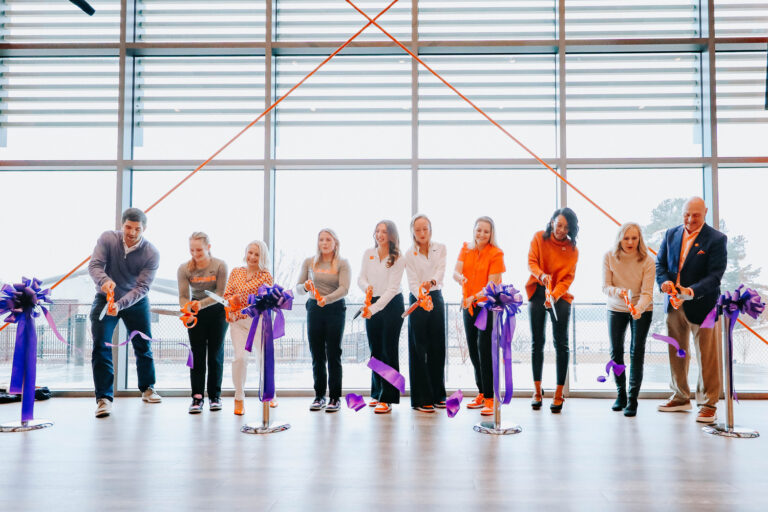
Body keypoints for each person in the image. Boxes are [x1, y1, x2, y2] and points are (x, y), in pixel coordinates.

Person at [655, 196, 727, 423]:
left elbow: (715, 276)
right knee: (677, 351)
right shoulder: (671, 234)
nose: (690, 219)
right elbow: (660, 265)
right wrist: (664, 282)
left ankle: (708, 404)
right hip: (673, 304)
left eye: (695, 214)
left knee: (707, 356)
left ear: (705, 212)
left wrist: (690, 291)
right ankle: (680, 396)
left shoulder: (716, 239)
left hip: (703, 305)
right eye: (686, 214)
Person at [89, 208, 161, 418]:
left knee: (142, 344)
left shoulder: (151, 253)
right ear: (122, 225)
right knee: (100, 345)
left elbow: (143, 288)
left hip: (135, 301)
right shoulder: (107, 238)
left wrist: (120, 304)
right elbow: (95, 265)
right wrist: (105, 281)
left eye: (137, 228)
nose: (132, 232)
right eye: (128, 227)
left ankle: (148, 388)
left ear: (144, 228)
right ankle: (104, 398)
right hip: (105, 297)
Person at [526, 207, 579, 413]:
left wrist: (555, 295)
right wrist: (541, 276)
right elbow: (531, 262)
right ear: (551, 222)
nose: (561, 230)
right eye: (559, 225)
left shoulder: (572, 249)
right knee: (537, 342)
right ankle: (537, 391)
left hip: (559, 296)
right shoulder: (539, 238)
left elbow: (567, 278)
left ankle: (559, 393)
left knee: (561, 343)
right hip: (538, 291)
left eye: (566, 227)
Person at [453, 216, 504, 417]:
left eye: (486, 231)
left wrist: (474, 296)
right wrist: (461, 278)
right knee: (473, 349)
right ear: (473, 230)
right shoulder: (466, 248)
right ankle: (482, 392)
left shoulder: (496, 253)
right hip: (469, 306)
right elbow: (455, 272)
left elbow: (491, 286)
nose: (482, 234)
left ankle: (491, 397)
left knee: (485, 350)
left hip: (487, 307)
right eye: (479, 230)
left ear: (491, 234)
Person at [602, 222, 654, 417]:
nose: (630, 242)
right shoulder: (609, 257)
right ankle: (621, 394)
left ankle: (633, 399)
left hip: (642, 308)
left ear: (639, 239)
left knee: (636, 351)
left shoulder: (647, 260)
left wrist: (638, 309)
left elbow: (647, 292)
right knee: (616, 352)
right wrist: (618, 292)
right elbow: (605, 287)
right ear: (620, 239)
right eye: (626, 238)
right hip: (616, 307)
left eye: (634, 238)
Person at [295, 229, 350, 413]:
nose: (324, 243)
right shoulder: (309, 262)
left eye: (328, 239)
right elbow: (299, 288)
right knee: (317, 354)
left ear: (335, 242)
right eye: (321, 240)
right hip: (314, 308)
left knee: (333, 353)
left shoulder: (342, 263)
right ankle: (319, 396)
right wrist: (306, 286)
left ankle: (335, 397)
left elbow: (344, 288)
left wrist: (328, 299)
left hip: (335, 309)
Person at [358, 220, 406, 414]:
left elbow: (392, 289)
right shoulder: (368, 253)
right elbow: (361, 278)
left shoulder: (398, 257)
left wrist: (374, 308)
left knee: (388, 350)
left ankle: (388, 398)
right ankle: (377, 393)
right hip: (372, 303)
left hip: (392, 304)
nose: (380, 234)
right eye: (377, 230)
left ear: (391, 235)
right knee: (375, 349)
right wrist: (366, 288)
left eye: (384, 231)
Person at [177, 232, 228, 414]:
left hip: (217, 312)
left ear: (208, 247)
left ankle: (215, 396)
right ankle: (197, 397)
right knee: (197, 355)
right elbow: (183, 296)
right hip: (195, 314)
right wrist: (187, 310)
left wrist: (201, 304)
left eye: (199, 249)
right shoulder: (184, 268)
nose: (195, 253)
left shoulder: (220, 265)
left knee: (215, 355)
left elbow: (221, 294)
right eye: (192, 250)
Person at [223, 240, 274, 416]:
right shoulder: (236, 272)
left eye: (256, 254)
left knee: (263, 359)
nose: (252, 257)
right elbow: (227, 294)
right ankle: (239, 396)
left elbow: (265, 301)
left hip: (257, 322)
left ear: (262, 257)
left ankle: (269, 392)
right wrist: (232, 305)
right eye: (250, 252)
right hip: (238, 323)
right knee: (239, 358)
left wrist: (249, 308)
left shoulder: (266, 276)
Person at [405, 214, 447, 413]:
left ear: (431, 229)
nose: (422, 233)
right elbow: (412, 282)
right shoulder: (409, 254)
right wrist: (421, 295)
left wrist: (430, 285)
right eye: (418, 229)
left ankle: (438, 394)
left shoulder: (441, 248)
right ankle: (421, 399)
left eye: (425, 228)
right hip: (417, 299)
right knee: (418, 348)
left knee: (437, 347)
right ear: (412, 231)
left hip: (436, 296)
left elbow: (440, 272)